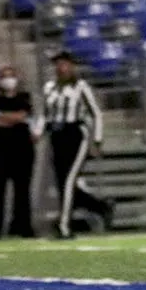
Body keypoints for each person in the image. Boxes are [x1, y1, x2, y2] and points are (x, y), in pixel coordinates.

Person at [41, 50, 112, 238]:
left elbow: (96, 113)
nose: (61, 68)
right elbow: (45, 113)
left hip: (75, 135)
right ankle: (100, 206)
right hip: (56, 136)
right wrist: (39, 131)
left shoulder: (81, 87)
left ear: (72, 66)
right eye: (58, 64)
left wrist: (97, 140)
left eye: (64, 64)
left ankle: (64, 226)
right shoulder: (49, 88)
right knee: (62, 183)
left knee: (69, 180)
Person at [0, 65, 37, 238]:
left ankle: (22, 226)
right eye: (4, 76)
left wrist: (6, 117)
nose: (8, 80)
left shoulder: (25, 98)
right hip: (0, 148)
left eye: (11, 76)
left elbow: (25, 116)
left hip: (22, 149)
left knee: (22, 190)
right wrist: (14, 117)